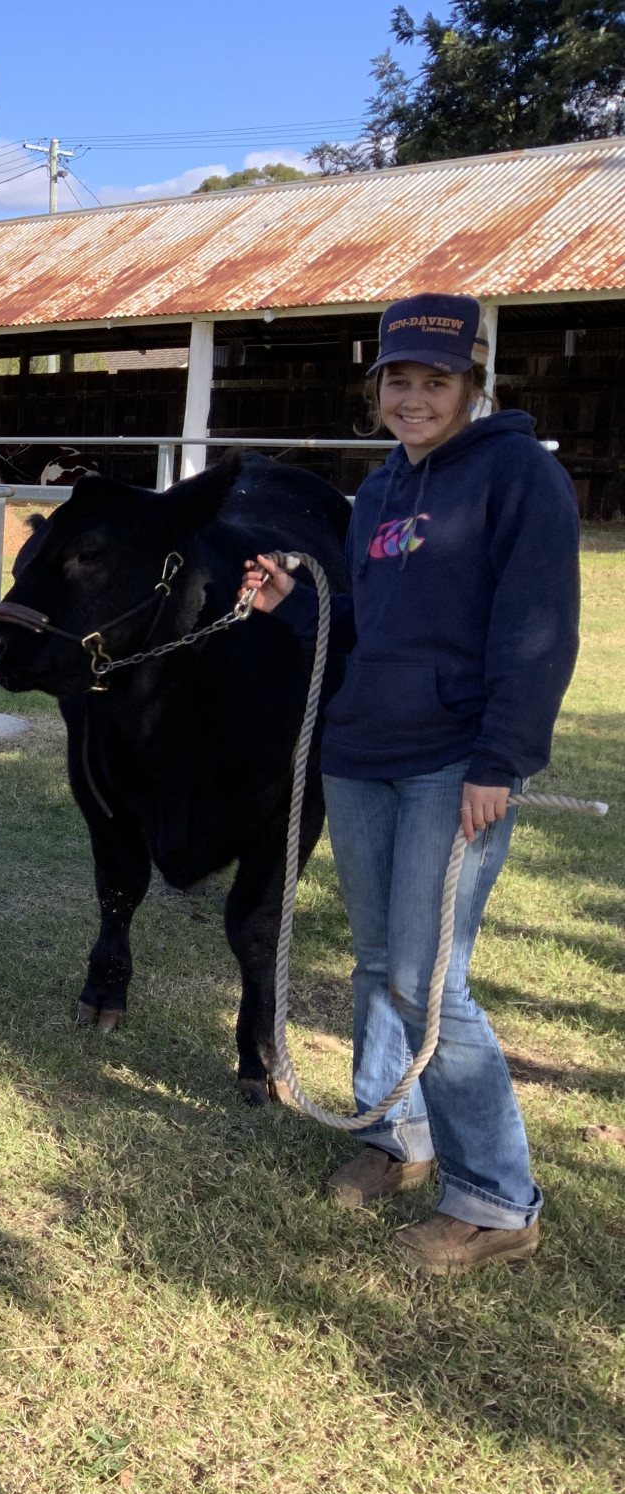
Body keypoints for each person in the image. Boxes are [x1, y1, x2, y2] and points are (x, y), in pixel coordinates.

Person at [242, 292, 579, 1274]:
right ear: (375, 387)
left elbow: (537, 628)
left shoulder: (516, 476)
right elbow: (365, 633)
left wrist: (497, 761)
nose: (413, 398)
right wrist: (283, 607)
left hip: (450, 763)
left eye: (435, 381)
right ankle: (395, 1136)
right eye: (398, 379)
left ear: (472, 385)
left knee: (431, 984)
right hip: (359, 755)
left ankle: (496, 1200)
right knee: (375, 962)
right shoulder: (382, 489)